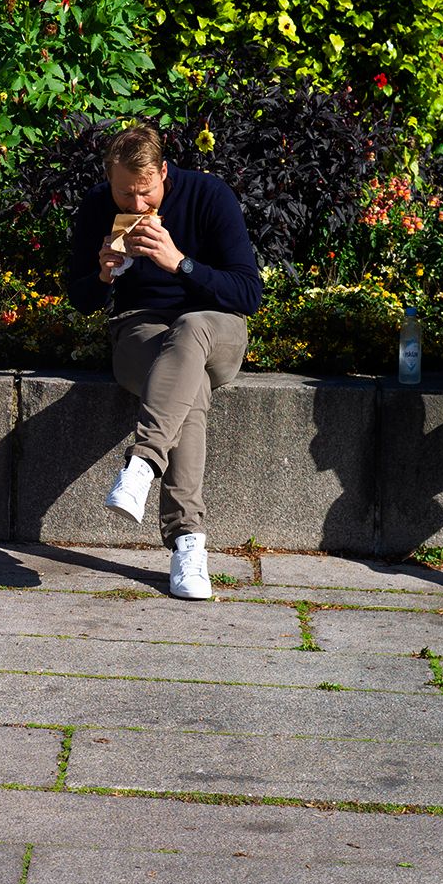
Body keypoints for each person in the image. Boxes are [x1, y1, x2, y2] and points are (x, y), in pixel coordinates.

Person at [67, 124, 263, 600]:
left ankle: (143, 463)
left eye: (144, 193)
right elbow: (79, 297)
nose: (135, 206)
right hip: (142, 329)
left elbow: (248, 293)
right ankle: (188, 543)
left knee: (192, 330)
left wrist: (181, 263)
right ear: (110, 180)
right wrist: (102, 274)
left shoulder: (210, 196)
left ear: (164, 173)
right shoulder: (98, 205)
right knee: (185, 385)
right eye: (123, 194)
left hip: (216, 328)